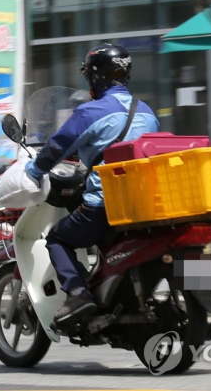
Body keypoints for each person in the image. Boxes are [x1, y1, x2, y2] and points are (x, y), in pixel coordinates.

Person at [25, 43, 159, 325]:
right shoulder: (147, 111)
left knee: (58, 238)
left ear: (95, 77)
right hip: (147, 205)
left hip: (107, 204)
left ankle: (77, 293)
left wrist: (34, 170)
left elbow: (57, 146)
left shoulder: (90, 112)